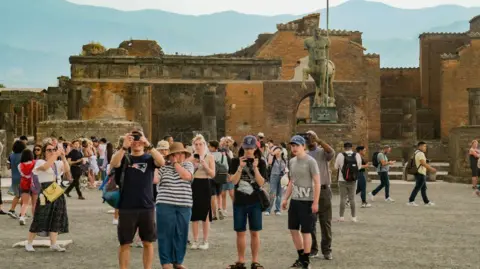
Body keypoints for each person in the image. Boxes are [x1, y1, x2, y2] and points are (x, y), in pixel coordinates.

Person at [110, 130, 165, 269]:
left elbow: (162, 161)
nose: (136, 142)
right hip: (127, 206)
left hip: (146, 206)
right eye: (133, 139)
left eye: (138, 139)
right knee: (125, 243)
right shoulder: (124, 157)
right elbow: (113, 163)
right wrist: (124, 147)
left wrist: (149, 144)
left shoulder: (148, 158)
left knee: (148, 242)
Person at [227, 135, 267, 269]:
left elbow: (261, 183)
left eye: (251, 148)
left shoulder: (261, 162)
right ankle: (241, 260)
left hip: (255, 201)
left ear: (256, 148)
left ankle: (255, 261)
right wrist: (240, 167)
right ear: (243, 148)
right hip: (239, 201)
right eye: (247, 148)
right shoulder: (234, 161)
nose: (249, 151)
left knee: (255, 232)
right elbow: (233, 181)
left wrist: (255, 168)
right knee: (240, 232)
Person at [282, 135, 320, 269]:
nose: (294, 148)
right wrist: (285, 198)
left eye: (297, 145)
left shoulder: (311, 161)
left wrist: (315, 202)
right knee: (293, 229)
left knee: (306, 231)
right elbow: (292, 181)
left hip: (307, 201)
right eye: (292, 145)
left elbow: (317, 182)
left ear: (303, 146)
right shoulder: (292, 161)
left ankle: (306, 261)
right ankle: (301, 257)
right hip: (295, 200)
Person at [25, 141, 70, 252]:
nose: (51, 152)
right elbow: (45, 167)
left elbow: (67, 170)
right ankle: (29, 242)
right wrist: (56, 154)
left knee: (56, 217)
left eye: (53, 150)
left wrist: (63, 157)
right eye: (49, 150)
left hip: (56, 190)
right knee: (40, 217)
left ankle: (53, 243)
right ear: (44, 152)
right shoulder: (40, 162)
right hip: (45, 190)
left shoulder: (57, 163)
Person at [156, 142, 194, 269]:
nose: (179, 155)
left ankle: (178, 261)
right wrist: (155, 165)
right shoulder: (163, 167)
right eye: (176, 153)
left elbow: (186, 176)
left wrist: (176, 164)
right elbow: (155, 180)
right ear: (171, 155)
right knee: (165, 234)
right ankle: (166, 262)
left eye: (181, 153)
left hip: (184, 204)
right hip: (165, 204)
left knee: (181, 233)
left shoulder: (188, 165)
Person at [305, 130, 335, 260]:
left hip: (323, 190)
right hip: (309, 192)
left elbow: (331, 152)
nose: (309, 139)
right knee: (310, 222)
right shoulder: (304, 155)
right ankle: (313, 249)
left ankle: (326, 250)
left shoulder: (322, 152)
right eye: (308, 138)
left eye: (311, 137)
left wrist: (318, 140)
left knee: (325, 222)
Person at [189, 134, 215, 250]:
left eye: (201, 144)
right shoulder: (190, 158)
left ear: (204, 145)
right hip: (194, 184)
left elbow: (213, 174)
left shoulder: (210, 157)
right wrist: (193, 165)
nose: (198, 146)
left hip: (205, 184)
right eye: (196, 144)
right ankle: (195, 240)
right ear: (193, 146)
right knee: (194, 214)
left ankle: (205, 241)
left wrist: (204, 165)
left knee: (205, 214)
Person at [334, 142, 362, 222]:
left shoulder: (340, 155)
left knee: (342, 198)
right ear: (351, 147)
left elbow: (336, 167)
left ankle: (341, 217)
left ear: (344, 148)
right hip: (353, 179)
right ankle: (353, 217)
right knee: (352, 198)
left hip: (342, 179)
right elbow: (359, 167)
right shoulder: (357, 155)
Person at [407, 142, 437, 206]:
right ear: (420, 146)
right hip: (420, 173)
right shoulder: (421, 153)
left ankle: (426, 202)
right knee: (417, 187)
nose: (425, 148)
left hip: (418, 172)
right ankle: (411, 201)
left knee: (423, 188)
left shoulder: (416, 152)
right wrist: (431, 169)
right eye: (424, 146)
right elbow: (423, 163)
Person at [208, 140, 228, 220]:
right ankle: (220, 208)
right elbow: (226, 167)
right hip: (220, 176)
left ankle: (214, 214)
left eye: (209, 146)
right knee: (219, 194)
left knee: (212, 195)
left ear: (213, 147)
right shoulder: (222, 155)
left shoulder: (208, 155)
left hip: (211, 177)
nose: (208, 147)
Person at [6, 140, 27, 219]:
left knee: (17, 195)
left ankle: (12, 210)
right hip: (23, 178)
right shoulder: (24, 155)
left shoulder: (11, 155)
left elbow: (8, 167)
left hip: (14, 178)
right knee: (23, 196)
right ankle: (22, 213)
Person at [265, 146, 288, 216]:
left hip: (282, 177)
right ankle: (268, 209)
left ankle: (277, 210)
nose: (278, 152)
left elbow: (286, 169)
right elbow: (269, 162)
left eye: (279, 150)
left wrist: (286, 175)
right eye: (277, 150)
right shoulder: (272, 159)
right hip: (274, 176)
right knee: (272, 193)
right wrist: (272, 154)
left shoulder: (284, 159)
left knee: (279, 194)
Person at [18, 149, 36, 225]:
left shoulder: (20, 165)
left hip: (24, 184)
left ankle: (22, 216)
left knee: (25, 203)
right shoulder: (35, 163)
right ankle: (35, 219)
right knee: (34, 203)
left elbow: (22, 174)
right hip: (34, 184)